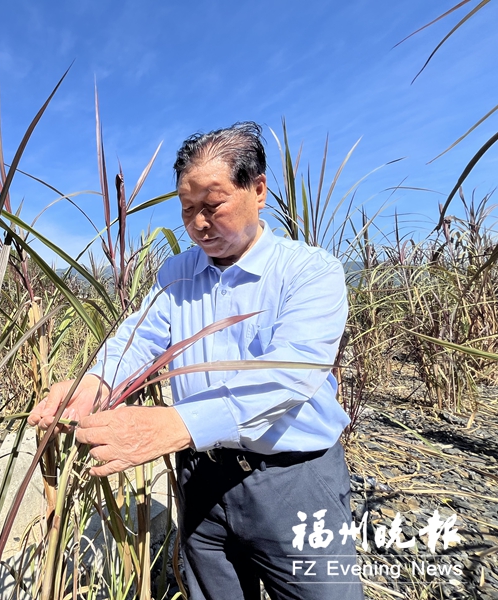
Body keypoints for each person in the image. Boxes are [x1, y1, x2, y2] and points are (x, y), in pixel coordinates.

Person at [28, 123, 364, 600]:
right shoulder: (178, 272)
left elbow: (291, 375)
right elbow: (138, 339)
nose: (199, 224)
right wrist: (93, 383)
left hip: (292, 482)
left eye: (213, 205)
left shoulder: (310, 272)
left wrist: (173, 426)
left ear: (258, 189)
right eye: (188, 210)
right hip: (202, 481)